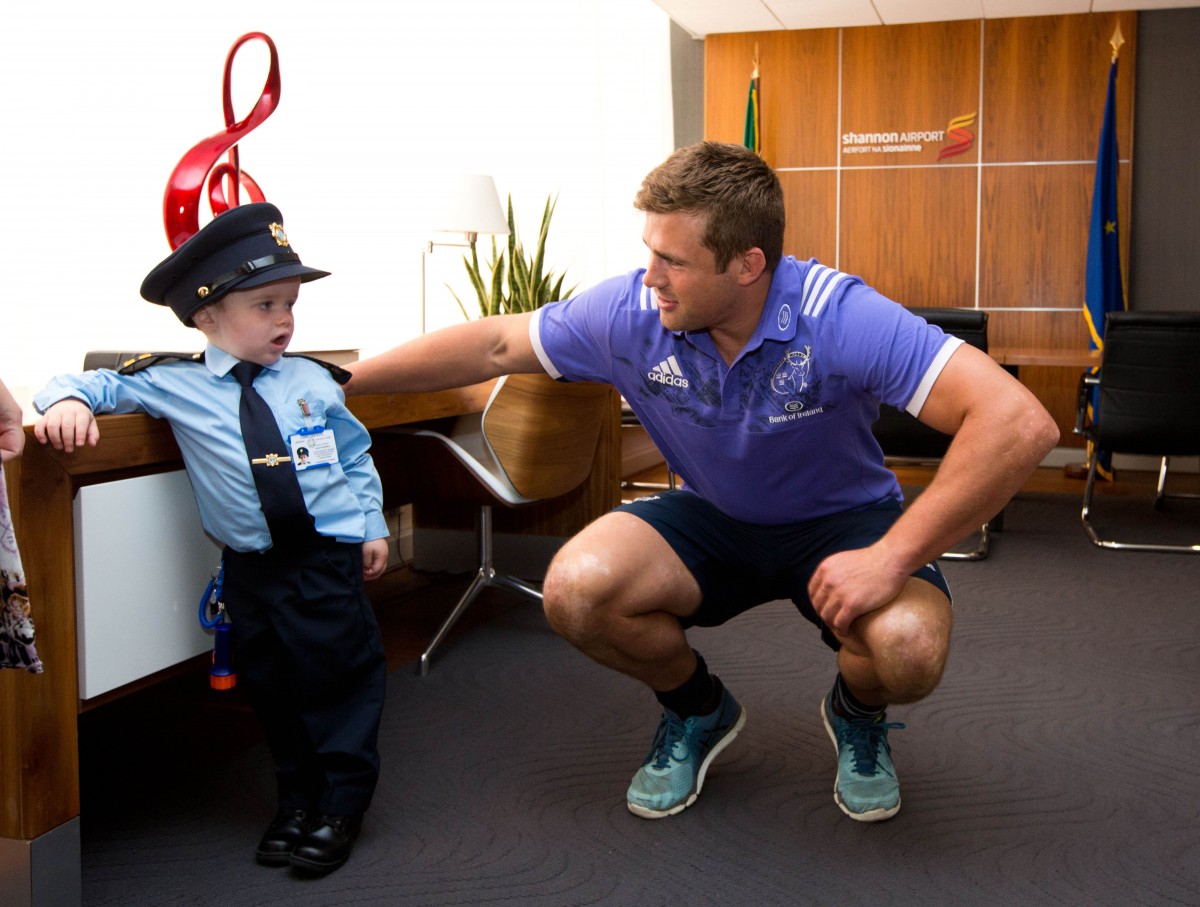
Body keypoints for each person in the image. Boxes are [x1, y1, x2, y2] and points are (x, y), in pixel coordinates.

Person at [346, 141, 1060, 823]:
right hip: (713, 516)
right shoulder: (632, 311)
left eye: (672, 259)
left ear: (748, 265)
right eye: (648, 252)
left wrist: (891, 557)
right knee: (574, 589)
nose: (650, 275)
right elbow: (497, 342)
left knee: (909, 649)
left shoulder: (837, 315)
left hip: (844, 522)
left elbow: (1018, 422)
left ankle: (858, 712)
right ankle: (696, 707)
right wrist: (345, 381)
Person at [33, 203, 390, 873]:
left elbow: (354, 456)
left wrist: (370, 525)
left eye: (290, 303)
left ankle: (341, 804)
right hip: (252, 571)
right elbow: (92, 383)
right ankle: (296, 800)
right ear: (206, 318)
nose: (285, 318)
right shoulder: (178, 384)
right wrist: (70, 402)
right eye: (265, 304)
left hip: (324, 561)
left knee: (338, 683)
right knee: (275, 690)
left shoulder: (314, 380)